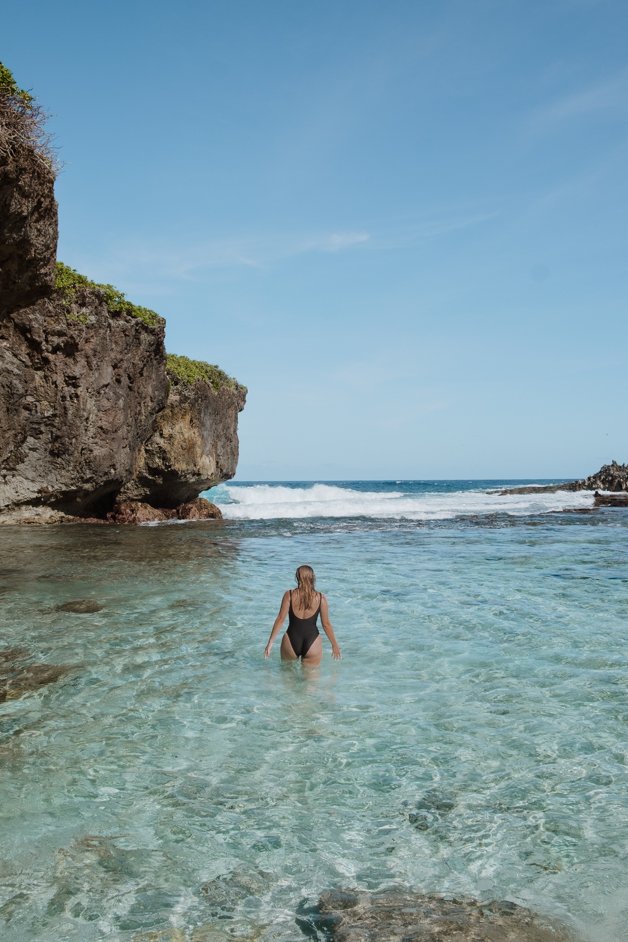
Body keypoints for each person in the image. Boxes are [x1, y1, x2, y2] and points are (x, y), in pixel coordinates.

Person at [264, 565, 342, 664]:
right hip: (313, 642)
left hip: (290, 640)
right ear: (312, 578)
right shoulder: (321, 598)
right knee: (310, 679)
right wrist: (334, 644)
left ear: (297, 577)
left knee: (287, 677)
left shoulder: (289, 595)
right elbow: (326, 624)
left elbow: (280, 619)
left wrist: (270, 643)